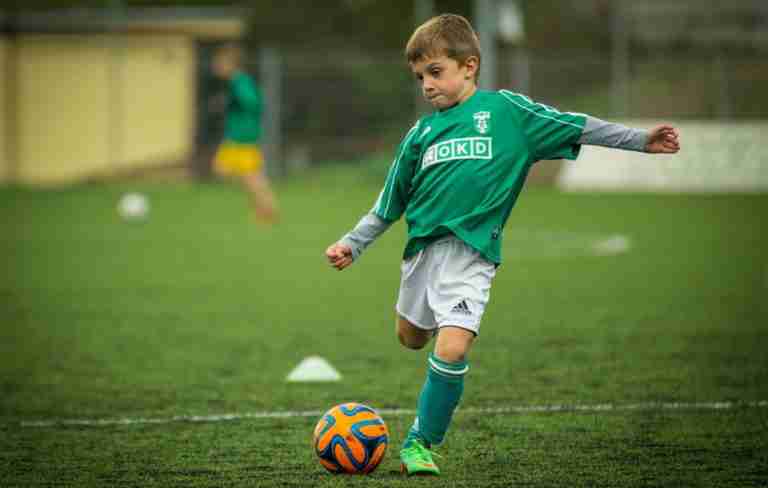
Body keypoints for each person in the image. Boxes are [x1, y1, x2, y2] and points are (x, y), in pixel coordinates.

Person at [325, 14, 680, 477]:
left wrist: (639, 140)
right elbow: (388, 203)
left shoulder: (508, 114)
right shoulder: (420, 135)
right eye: (419, 78)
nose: (426, 85)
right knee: (410, 338)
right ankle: (438, 330)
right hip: (422, 256)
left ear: (468, 66)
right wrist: (353, 244)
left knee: (451, 349)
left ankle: (420, 441)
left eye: (435, 72)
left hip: (473, 256)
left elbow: (577, 125)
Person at [211, 44, 279, 223]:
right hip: (238, 136)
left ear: (230, 64)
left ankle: (267, 209)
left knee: (247, 176)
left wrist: (242, 111)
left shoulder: (239, 81)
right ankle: (264, 208)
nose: (216, 66)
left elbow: (253, 102)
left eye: (219, 63)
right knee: (234, 173)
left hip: (241, 137)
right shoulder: (238, 81)